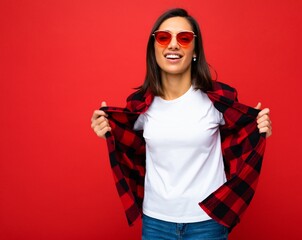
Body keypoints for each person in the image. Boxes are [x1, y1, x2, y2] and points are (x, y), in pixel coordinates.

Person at [91, 8, 272, 240]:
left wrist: (260, 129)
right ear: (154, 47)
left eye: (184, 38)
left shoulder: (217, 100)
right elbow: (127, 142)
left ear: (195, 49)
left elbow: (244, 135)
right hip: (156, 223)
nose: (173, 45)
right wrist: (106, 128)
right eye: (164, 37)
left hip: (207, 223)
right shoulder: (140, 105)